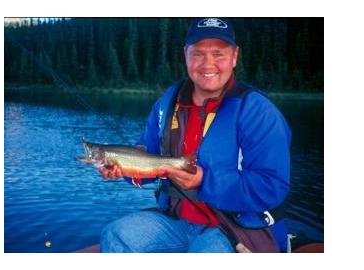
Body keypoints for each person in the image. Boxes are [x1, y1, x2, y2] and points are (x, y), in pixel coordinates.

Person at [98, 17, 291, 253]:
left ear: (234, 56)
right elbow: (146, 161)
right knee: (116, 235)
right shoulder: (166, 105)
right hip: (177, 220)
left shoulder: (259, 113)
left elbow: (271, 186)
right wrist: (123, 169)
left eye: (218, 54)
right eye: (198, 53)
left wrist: (204, 180)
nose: (207, 64)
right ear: (185, 55)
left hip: (234, 228)